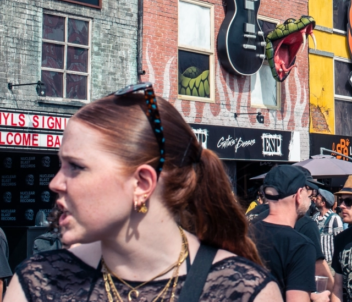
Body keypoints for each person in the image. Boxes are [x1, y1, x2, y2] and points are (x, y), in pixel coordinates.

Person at [6, 86, 279, 301]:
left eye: (76, 167)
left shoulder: (242, 291)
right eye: (60, 165)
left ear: (142, 184)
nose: (55, 182)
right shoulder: (38, 283)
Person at [249, 165, 330, 302]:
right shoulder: (301, 246)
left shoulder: (245, 234)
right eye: (307, 191)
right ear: (299, 195)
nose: (310, 198)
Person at [315, 188, 344, 264]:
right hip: (316, 262)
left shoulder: (334, 218)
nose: (315, 199)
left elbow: (340, 242)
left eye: (318, 198)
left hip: (329, 262)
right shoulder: (315, 217)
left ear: (323, 203)